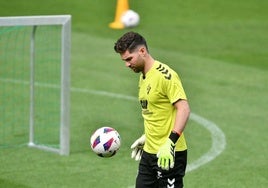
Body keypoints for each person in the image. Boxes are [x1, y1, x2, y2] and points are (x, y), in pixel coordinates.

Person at [114, 31, 190, 188]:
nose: (127, 64)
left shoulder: (165, 75)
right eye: (124, 60)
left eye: (129, 59)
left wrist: (170, 142)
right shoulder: (143, 77)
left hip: (169, 154)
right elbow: (155, 112)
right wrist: (147, 136)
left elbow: (183, 108)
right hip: (149, 154)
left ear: (142, 51)